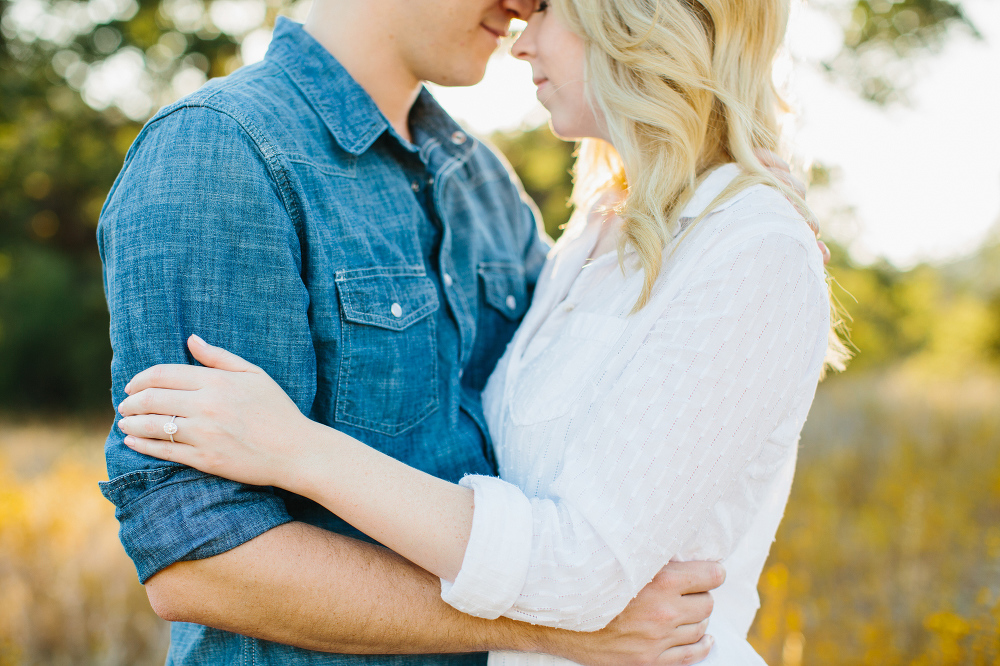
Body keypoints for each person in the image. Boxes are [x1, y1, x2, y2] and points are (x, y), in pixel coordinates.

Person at [116, 0, 848, 664]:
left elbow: (617, 396)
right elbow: (198, 562)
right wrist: (548, 627)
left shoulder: (482, 183)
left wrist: (747, 219)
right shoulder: (221, 151)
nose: (524, 8)